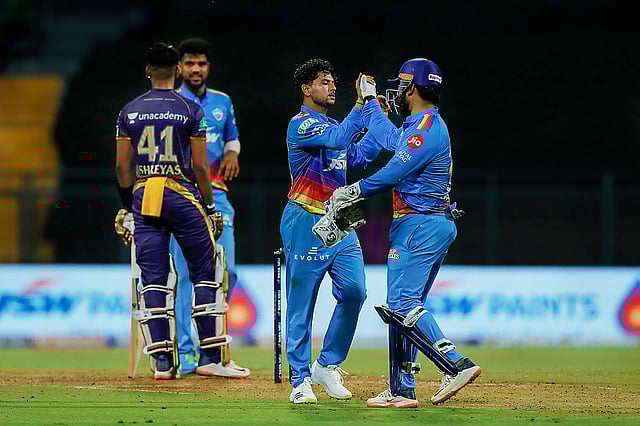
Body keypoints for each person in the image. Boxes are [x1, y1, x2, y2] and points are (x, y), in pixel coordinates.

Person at [326, 58, 481, 408]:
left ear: (412, 87)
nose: (396, 91)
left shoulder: (426, 128)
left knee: (402, 305)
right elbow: (390, 138)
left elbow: (393, 171)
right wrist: (369, 103)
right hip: (426, 223)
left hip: (419, 225)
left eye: (400, 84)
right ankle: (401, 388)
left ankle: (455, 364)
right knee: (403, 310)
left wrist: (352, 190)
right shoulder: (421, 126)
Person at [114, 42, 222, 380]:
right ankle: (210, 356)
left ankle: (162, 362)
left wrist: (127, 206)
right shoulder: (190, 109)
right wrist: (210, 207)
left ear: (147, 70)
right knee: (206, 270)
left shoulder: (129, 111)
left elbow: (122, 167)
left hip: (144, 196)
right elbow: (201, 167)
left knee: (153, 279)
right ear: (177, 70)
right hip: (180, 195)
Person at [281, 58, 385, 404]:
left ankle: (326, 365)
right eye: (324, 82)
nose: (332, 87)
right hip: (305, 220)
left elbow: (358, 157)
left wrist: (377, 118)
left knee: (355, 291)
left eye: (333, 82)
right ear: (306, 89)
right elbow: (341, 136)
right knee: (302, 303)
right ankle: (300, 380)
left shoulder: (331, 127)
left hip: (339, 221)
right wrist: (360, 104)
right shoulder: (302, 124)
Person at [169, 38, 249, 377]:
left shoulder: (222, 101)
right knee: (186, 275)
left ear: (208, 66)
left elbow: (232, 137)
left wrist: (232, 153)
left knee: (227, 272)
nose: (196, 69)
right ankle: (187, 354)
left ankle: (214, 353)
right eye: (189, 63)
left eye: (201, 63)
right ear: (179, 68)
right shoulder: (170, 104)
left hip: (218, 193)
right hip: (181, 194)